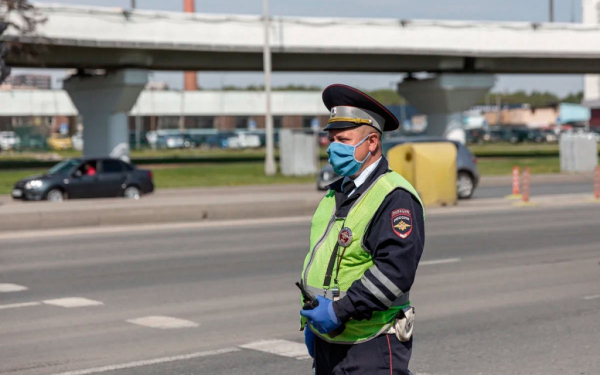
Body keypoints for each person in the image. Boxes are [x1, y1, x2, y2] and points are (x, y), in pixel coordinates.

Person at [299, 84, 425, 375]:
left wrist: (337, 312)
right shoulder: (336, 193)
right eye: (331, 139)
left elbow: (395, 272)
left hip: (371, 343)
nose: (332, 146)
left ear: (371, 143)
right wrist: (314, 322)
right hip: (329, 339)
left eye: (343, 139)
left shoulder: (394, 196)